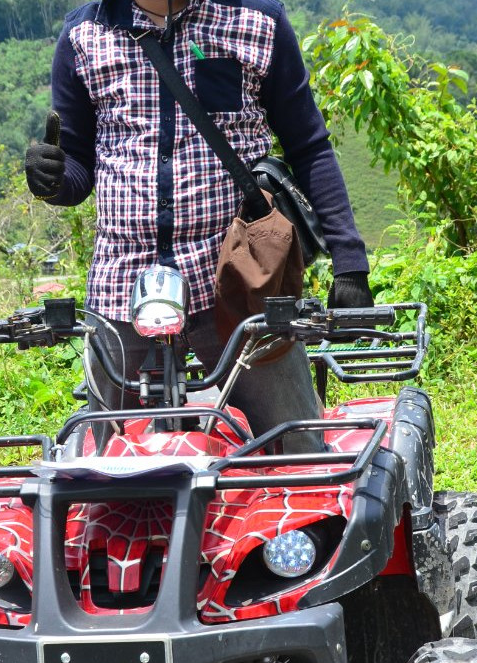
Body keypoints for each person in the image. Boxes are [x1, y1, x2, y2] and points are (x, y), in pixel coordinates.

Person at [25, 0, 372, 451]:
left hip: (239, 279)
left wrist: (349, 263)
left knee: (300, 449)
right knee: (110, 467)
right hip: (121, 285)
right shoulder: (83, 34)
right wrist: (51, 179)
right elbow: (77, 169)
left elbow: (309, 147)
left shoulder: (255, 20)